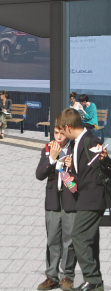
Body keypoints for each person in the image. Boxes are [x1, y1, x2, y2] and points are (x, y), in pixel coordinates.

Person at [57, 107, 111, 291]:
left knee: (78, 236)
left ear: (68, 127)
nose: (62, 136)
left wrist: (104, 159)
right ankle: (97, 286)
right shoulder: (77, 143)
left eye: (62, 131)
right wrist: (72, 173)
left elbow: (103, 168)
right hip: (85, 197)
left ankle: (93, 279)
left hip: (93, 199)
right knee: (90, 240)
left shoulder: (91, 140)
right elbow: (86, 171)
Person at [35, 125, 77, 291]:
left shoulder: (75, 148)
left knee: (69, 239)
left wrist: (72, 165)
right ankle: (51, 276)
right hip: (53, 200)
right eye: (56, 133)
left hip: (70, 199)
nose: (58, 137)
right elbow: (39, 174)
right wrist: (51, 158)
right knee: (52, 239)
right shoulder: (48, 148)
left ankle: (67, 276)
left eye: (62, 133)